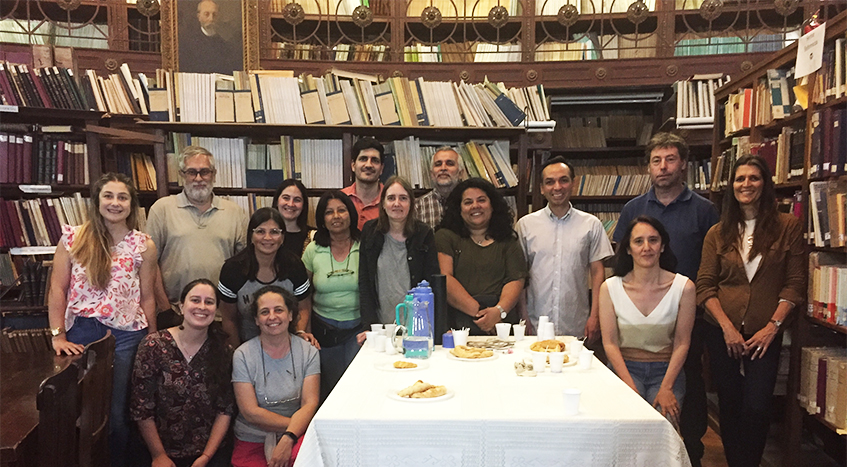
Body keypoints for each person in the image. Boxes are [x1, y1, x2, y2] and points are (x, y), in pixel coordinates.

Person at [613, 132, 718, 466]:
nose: (663, 167)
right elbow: (620, 259)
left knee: (689, 386)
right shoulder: (633, 208)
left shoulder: (704, 210)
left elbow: (713, 261)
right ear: (648, 167)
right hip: (640, 307)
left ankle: (690, 453)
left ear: (684, 164)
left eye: (670, 159)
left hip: (689, 310)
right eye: (656, 161)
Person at [696, 155, 804, 467]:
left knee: (757, 406)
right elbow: (705, 285)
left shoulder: (788, 227)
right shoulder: (718, 232)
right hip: (720, 331)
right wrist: (727, 327)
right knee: (729, 403)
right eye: (740, 179)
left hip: (764, 334)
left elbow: (795, 284)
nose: (746, 184)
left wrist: (773, 326)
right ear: (731, 186)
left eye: (754, 178)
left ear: (765, 184)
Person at [48, 172, 157, 467]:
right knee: (78, 413)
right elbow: (57, 289)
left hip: (127, 337)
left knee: (117, 415)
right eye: (108, 196)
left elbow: (147, 297)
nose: (115, 203)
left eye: (122, 197)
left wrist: (152, 340)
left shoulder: (143, 245)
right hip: (81, 334)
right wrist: (58, 335)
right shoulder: (73, 238)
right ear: (97, 201)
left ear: (131, 204)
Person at [599, 216, 696, 428]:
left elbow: (682, 342)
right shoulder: (609, 288)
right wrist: (629, 386)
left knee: (664, 425)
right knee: (627, 426)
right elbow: (610, 343)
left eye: (653, 240)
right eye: (638, 241)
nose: (646, 248)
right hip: (624, 368)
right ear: (627, 248)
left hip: (666, 370)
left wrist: (667, 387)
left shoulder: (684, 287)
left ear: (662, 246)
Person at [131, 279, 234, 467]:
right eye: (195, 300)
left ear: (216, 310)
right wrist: (158, 455)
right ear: (181, 306)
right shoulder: (153, 345)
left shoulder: (223, 350)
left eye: (209, 302)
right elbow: (141, 408)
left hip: (209, 454)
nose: (202, 307)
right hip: (157, 454)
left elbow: (225, 410)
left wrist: (206, 458)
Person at [147, 145, 248, 327]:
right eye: (192, 172)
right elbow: (149, 264)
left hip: (220, 315)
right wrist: (165, 309)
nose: (198, 178)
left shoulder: (235, 213)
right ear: (182, 174)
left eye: (204, 172)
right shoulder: (161, 209)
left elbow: (244, 267)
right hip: (175, 313)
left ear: (214, 174)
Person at [516, 156, 613, 340]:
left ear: (573, 184)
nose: (557, 187)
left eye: (563, 180)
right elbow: (520, 275)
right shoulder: (525, 225)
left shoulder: (591, 224)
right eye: (550, 182)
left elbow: (598, 272)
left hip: (576, 324)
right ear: (541, 188)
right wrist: (523, 316)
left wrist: (595, 316)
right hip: (536, 324)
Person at [231, 286, 320, 467]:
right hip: (253, 436)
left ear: (290, 315)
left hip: (296, 436)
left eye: (279, 310)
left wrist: (289, 437)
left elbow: (310, 403)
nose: (272, 317)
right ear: (256, 320)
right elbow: (250, 412)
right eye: (265, 312)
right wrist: (295, 425)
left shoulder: (308, 352)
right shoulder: (242, 354)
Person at [435, 178, 527, 335]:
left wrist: (498, 312)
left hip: (502, 324)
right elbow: (445, 278)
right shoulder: (445, 237)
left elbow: (516, 279)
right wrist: (482, 314)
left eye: (481, 200)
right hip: (459, 324)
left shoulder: (508, 239)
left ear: (492, 205)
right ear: (459, 208)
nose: (475, 206)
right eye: (468, 202)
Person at [218, 207, 314, 349]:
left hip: (288, 346)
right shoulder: (232, 270)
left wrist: (299, 334)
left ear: (282, 237)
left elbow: (303, 308)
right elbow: (229, 319)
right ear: (251, 235)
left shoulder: (295, 266)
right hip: (248, 347)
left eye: (274, 232)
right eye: (260, 231)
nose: (267, 238)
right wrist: (238, 354)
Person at [301, 191, 365, 401]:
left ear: (351, 214)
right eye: (329, 212)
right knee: (330, 394)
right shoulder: (313, 249)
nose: (336, 216)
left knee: (357, 392)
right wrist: (305, 330)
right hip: (324, 333)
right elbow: (304, 294)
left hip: (358, 332)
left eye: (341, 210)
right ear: (322, 219)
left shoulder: (364, 246)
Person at [359, 176, 440, 326]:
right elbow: (364, 282)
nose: (397, 204)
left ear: (411, 203)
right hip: (380, 324)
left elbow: (433, 281)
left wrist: (439, 325)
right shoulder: (370, 231)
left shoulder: (424, 233)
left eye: (403, 198)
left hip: (418, 322)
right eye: (391, 198)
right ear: (383, 203)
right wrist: (368, 325)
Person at [179, 0, 242, 75]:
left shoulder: (224, 45)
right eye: (206, 14)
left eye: (214, 14)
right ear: (199, 16)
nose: (211, 19)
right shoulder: (187, 43)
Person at [416, 146, 465, 229]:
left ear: (460, 173)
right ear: (432, 174)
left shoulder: (471, 204)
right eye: (438, 164)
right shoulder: (417, 207)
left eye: (450, 164)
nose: (443, 168)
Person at [341, 137, 384, 230]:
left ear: (381, 169)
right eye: (363, 159)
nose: (368, 165)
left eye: (375, 160)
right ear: (353, 165)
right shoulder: (339, 199)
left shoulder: (392, 200)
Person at [273, 178, 315, 258]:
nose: (291, 204)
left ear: (303, 206)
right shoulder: (265, 235)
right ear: (276, 201)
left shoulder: (313, 237)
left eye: (297, 200)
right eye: (286, 198)